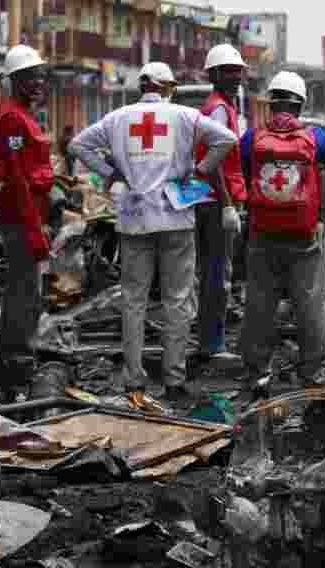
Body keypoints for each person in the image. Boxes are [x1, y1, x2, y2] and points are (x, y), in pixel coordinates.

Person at [68, 61, 237, 405]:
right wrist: (201, 170)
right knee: (177, 300)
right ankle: (174, 380)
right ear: (167, 87)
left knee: (133, 301)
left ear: (142, 87)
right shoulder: (184, 116)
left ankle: (134, 381)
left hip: (133, 218)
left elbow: (77, 145)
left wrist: (110, 173)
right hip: (175, 217)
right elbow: (227, 139)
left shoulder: (117, 118)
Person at [238, 71, 325, 390]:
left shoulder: (252, 138)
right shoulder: (317, 137)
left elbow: (241, 168)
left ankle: (257, 372)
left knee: (259, 303)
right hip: (304, 235)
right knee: (310, 303)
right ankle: (311, 372)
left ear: (271, 102)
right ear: (300, 104)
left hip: (262, 233)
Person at [0, 45, 55, 397]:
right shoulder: (12, 120)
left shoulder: (26, 117)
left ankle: (19, 361)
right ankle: (15, 366)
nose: (37, 83)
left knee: (29, 293)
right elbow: (17, 180)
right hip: (21, 214)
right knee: (23, 294)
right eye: (28, 77)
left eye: (40, 76)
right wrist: (34, 231)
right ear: (13, 82)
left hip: (33, 212)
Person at [194, 44, 248, 365]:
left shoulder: (224, 107)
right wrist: (227, 204)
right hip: (216, 202)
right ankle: (212, 345)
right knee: (217, 273)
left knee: (215, 272)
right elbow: (211, 161)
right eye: (228, 71)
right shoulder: (217, 109)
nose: (235, 76)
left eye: (237, 70)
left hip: (215, 198)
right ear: (213, 75)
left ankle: (210, 341)